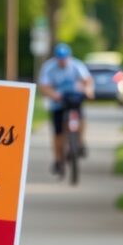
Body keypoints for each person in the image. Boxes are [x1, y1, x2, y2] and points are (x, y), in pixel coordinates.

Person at [38, 43, 93, 176]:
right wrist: (53, 95)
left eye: (65, 58)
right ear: (56, 58)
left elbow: (88, 80)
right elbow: (44, 86)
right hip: (58, 102)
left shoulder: (76, 65)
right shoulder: (48, 67)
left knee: (81, 119)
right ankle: (58, 160)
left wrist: (88, 90)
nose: (62, 61)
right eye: (60, 58)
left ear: (69, 57)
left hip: (74, 98)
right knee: (58, 134)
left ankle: (79, 143)